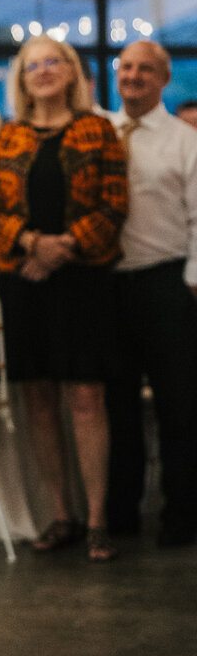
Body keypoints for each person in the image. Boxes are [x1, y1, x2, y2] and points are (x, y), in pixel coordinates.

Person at [0, 37, 128, 563]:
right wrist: (30, 243)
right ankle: (61, 513)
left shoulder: (99, 130)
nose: (42, 71)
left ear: (71, 72)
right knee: (38, 399)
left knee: (86, 398)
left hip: (83, 280)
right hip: (24, 279)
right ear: (21, 78)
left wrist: (63, 246)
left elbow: (115, 205)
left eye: (52, 62)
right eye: (31, 64)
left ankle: (98, 520)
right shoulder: (9, 136)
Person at [106, 41, 197, 547]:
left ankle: (181, 515)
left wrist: (192, 283)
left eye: (145, 69)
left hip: (167, 285)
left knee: (177, 408)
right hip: (110, 287)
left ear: (164, 79)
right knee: (117, 409)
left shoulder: (186, 141)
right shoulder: (101, 131)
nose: (134, 75)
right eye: (126, 67)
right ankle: (121, 515)